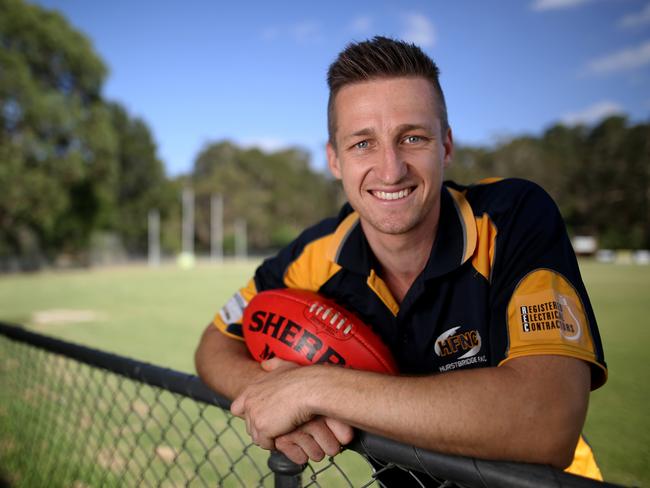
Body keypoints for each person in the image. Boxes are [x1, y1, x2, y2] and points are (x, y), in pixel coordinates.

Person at [195, 36, 607, 481]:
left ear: (445, 147)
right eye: (362, 144)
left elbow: (547, 422)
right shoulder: (315, 255)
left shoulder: (511, 217)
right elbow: (216, 344)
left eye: (412, 138)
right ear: (335, 160)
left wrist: (314, 388)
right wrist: (271, 395)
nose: (391, 169)